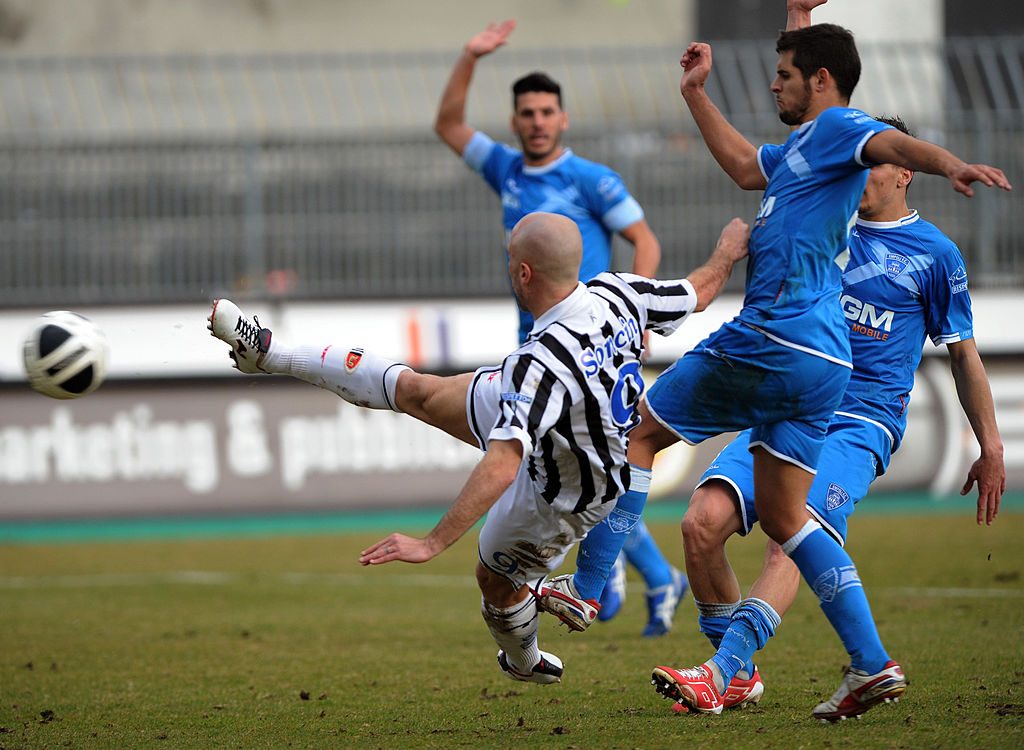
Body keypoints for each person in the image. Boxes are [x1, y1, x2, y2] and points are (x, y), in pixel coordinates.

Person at [534, 3, 1011, 721]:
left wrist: (950, 164)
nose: (772, 86)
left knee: (638, 433)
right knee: (729, 522)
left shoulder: (853, 147)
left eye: (783, 75)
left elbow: (885, 139)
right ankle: (866, 662)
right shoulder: (808, 163)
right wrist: (706, 86)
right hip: (816, 376)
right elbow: (741, 163)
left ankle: (595, 591)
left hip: (799, 360)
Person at [207, 212, 750, 684]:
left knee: (493, 579)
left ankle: (525, 659)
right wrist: (728, 250)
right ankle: (270, 354)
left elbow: (504, 463)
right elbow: (698, 292)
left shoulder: (543, 362)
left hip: (563, 492)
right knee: (419, 391)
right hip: (554, 411)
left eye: (510, 260)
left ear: (523, 273)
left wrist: (431, 543)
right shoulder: (619, 293)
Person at [678, 113, 1005, 722]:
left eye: (876, 163)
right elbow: (763, 156)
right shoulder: (824, 225)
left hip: (861, 421)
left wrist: (991, 446)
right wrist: (697, 93)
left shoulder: (935, 255)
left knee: (791, 534)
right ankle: (738, 674)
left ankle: (719, 672)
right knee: (701, 524)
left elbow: (964, 356)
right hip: (791, 401)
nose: (861, 173)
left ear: (906, 172)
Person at [434, 19, 687, 637]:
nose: (538, 121)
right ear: (515, 120)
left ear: (563, 119)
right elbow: (448, 125)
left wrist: (636, 317)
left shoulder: (591, 178)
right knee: (574, 469)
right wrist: (469, 55)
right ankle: (647, 576)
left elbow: (645, 240)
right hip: (535, 350)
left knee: (571, 468)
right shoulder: (506, 169)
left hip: (591, 348)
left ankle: (623, 577)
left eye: (547, 111)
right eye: (527, 113)